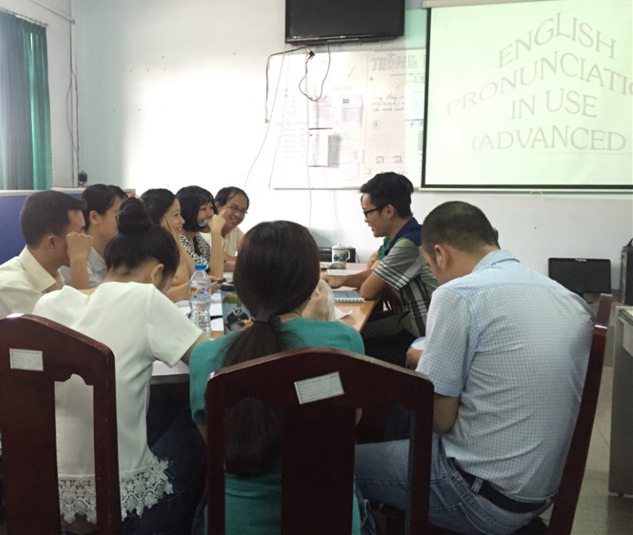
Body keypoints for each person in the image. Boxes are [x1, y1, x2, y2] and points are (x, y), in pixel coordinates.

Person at [354, 201, 594, 534]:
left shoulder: (458, 294)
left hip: (477, 495)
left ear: (440, 254)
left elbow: (440, 419)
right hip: (537, 493)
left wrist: (427, 363)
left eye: (430, 266)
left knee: (337, 463)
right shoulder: (568, 299)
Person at [32, 198, 207, 535]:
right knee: (193, 417)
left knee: (161, 407)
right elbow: (208, 359)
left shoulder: (48, 303)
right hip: (121, 509)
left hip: (49, 498)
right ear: (157, 274)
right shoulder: (145, 298)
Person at [189, 220, 374, 535]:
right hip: (329, 519)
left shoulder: (206, 357)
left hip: (235, 523)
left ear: (241, 285)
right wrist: (320, 326)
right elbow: (345, 427)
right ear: (312, 284)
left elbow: (219, 445)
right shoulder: (342, 341)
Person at [0, 190, 93, 408]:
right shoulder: (11, 286)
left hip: (33, 392)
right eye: (80, 234)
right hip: (0, 408)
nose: (87, 240)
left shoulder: (50, 275)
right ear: (52, 243)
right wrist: (79, 262)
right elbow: (78, 342)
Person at [324, 172, 438, 365]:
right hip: (415, 323)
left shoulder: (408, 245)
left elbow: (368, 290)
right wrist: (342, 280)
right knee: (359, 333)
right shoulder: (412, 234)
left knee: (351, 345)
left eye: (367, 212)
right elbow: (376, 273)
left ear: (388, 211)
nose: (366, 220)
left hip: (423, 335)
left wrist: (379, 281)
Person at [60, 183, 126, 289]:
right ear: (94, 217)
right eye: (119, 215)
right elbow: (97, 297)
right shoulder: (74, 258)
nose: (125, 221)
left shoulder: (119, 253)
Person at [140, 188, 195, 302]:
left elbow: (195, 272)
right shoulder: (146, 248)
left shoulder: (171, 241)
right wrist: (173, 241)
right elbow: (182, 279)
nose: (182, 221)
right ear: (159, 219)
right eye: (176, 215)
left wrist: (176, 241)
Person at [176, 186, 225, 278]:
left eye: (211, 207)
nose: (210, 214)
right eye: (203, 209)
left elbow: (212, 267)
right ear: (187, 212)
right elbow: (215, 276)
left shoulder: (196, 237)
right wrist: (216, 232)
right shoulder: (178, 238)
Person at [214, 186, 250, 266]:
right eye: (234, 208)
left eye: (243, 211)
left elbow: (253, 252)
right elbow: (217, 259)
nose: (238, 214)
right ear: (217, 206)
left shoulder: (235, 231)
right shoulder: (204, 229)